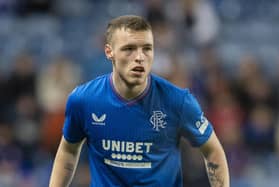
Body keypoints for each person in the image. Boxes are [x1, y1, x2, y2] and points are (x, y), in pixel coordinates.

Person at [49, 15, 230, 187]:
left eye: (147, 48)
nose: (139, 57)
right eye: (129, 49)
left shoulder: (177, 101)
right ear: (109, 52)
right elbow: (68, 151)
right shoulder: (84, 100)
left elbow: (213, 150)